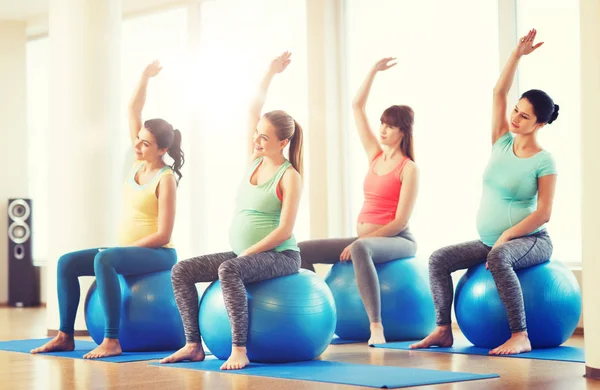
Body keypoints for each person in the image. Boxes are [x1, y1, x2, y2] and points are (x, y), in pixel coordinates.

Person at [410, 29, 559, 355]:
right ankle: (443, 329)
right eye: (516, 111)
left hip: (531, 241)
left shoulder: (544, 160)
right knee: (439, 259)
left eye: (525, 116)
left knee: (498, 256)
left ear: (540, 124)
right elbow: (498, 92)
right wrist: (517, 55)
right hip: (492, 240)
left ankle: (520, 334)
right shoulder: (501, 141)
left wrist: (507, 236)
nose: (516, 118)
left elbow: (543, 212)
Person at [160, 52, 304, 370]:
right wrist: (270, 72)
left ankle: (239, 348)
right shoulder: (254, 160)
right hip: (246, 253)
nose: (256, 139)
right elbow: (252, 109)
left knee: (229, 270)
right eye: (256, 134)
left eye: (264, 137)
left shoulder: (290, 176)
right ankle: (193, 345)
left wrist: (247, 254)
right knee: (181, 270)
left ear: (282, 143)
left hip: (281, 256)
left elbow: (284, 230)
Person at [31, 61, 184, 359]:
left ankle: (112, 340)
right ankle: (65, 335)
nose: (137, 146)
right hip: (129, 250)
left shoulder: (166, 179)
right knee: (66, 263)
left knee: (105, 260)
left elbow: (164, 233)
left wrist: (120, 251)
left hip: (159, 253)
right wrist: (144, 78)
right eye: (137, 140)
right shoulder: (139, 162)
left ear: (162, 149)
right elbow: (133, 110)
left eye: (145, 144)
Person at [298, 57, 419, 346]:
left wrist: (357, 243)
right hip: (366, 240)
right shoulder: (375, 156)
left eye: (390, 126)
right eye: (382, 124)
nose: (383, 130)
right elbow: (356, 106)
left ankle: (376, 326)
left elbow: (400, 222)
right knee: (303, 249)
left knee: (361, 246)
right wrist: (373, 72)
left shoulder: (409, 168)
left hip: (399, 239)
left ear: (403, 131)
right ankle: (313, 314)